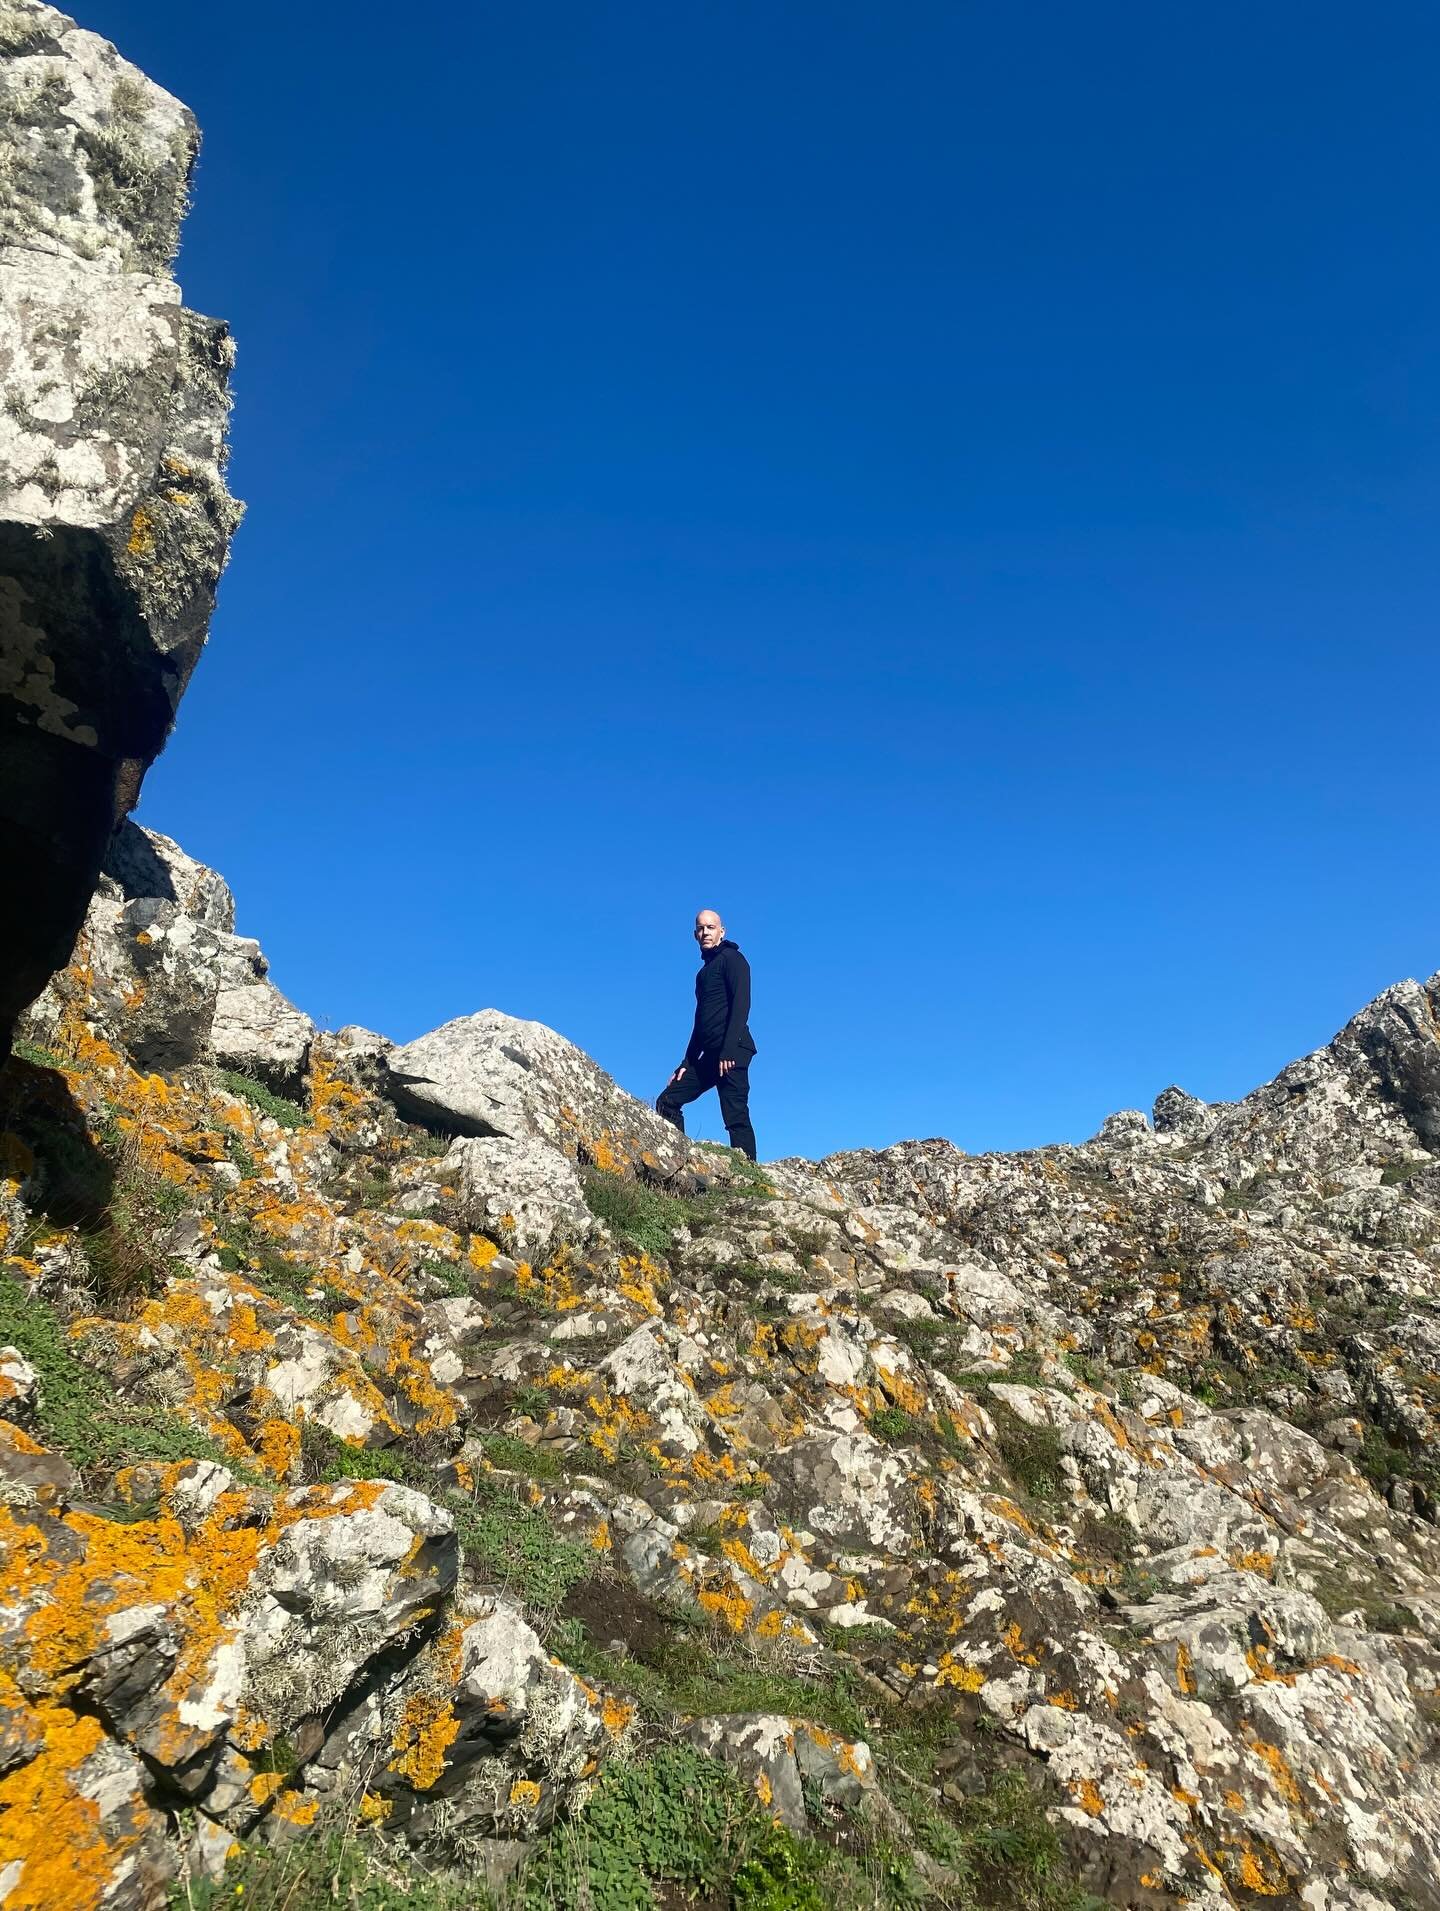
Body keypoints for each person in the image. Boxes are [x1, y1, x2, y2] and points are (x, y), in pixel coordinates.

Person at [656, 909, 758, 1160]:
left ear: (721, 931)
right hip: (710, 1055)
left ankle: (749, 1174)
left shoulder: (733, 959)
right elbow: (700, 1021)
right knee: (667, 1100)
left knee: (735, 1116)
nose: (705, 933)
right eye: (701, 929)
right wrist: (686, 1062)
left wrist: (728, 1050)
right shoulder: (703, 974)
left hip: (733, 1050)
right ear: (695, 935)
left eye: (710, 927)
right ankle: (679, 1161)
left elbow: (741, 1005)